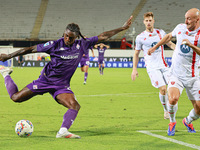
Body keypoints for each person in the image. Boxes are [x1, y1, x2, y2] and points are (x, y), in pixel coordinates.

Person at [0, 16, 133, 139]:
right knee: (16, 98)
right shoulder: (55, 44)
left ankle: (63, 131)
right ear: (64, 33)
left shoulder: (83, 44)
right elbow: (31, 49)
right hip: (45, 81)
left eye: (71, 37)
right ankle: (5, 73)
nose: (67, 39)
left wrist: (122, 28)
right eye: (66, 36)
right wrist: (9, 56)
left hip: (61, 85)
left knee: (74, 106)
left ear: (76, 37)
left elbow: (103, 36)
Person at [148, 8, 200, 136]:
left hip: (193, 76)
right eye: (185, 18)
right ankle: (172, 122)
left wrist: (191, 45)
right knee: (173, 99)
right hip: (176, 74)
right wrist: (155, 47)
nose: (186, 21)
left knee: (198, 110)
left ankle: (187, 121)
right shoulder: (180, 27)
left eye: (189, 18)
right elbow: (168, 36)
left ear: (197, 20)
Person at [131, 12, 176, 120]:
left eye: (150, 20)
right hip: (152, 67)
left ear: (153, 21)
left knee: (172, 89)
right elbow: (136, 54)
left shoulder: (161, 33)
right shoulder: (140, 37)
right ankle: (166, 111)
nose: (148, 22)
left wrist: (178, 51)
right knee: (163, 89)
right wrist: (134, 69)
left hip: (164, 65)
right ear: (144, 22)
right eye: (146, 21)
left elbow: (170, 44)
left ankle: (170, 109)